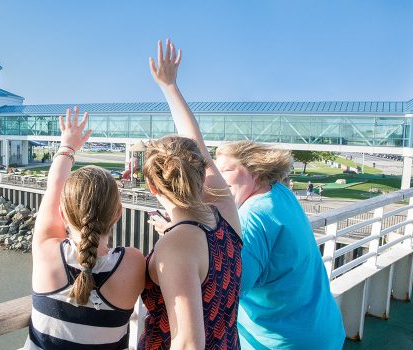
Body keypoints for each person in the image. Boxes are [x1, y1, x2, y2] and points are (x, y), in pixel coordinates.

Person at [140, 39, 242, 349]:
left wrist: (168, 86)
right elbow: (201, 149)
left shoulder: (176, 246)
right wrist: (171, 87)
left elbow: (187, 343)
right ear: (200, 173)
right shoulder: (225, 212)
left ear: (153, 188)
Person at [24, 107, 145, 349]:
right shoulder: (133, 263)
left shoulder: (48, 252)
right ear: (119, 213)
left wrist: (67, 146)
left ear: (62, 213)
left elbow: (54, 186)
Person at [215, 141, 345, 349]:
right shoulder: (280, 194)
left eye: (226, 170)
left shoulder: (251, 219)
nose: (218, 180)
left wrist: (186, 238)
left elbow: (226, 293)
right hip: (323, 329)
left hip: (281, 342)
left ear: (254, 171)